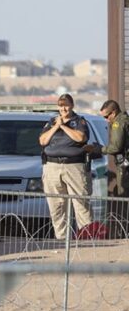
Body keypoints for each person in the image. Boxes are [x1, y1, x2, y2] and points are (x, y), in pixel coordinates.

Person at [39, 93, 93, 239]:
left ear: (72, 105)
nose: (63, 108)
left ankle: (86, 238)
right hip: (52, 166)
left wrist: (63, 126)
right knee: (56, 206)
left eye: (66, 105)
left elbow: (81, 138)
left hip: (73, 166)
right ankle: (62, 239)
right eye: (61, 105)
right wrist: (56, 126)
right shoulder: (51, 122)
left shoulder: (79, 121)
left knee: (81, 204)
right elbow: (43, 141)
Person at [100, 99, 129, 237]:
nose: (106, 120)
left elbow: (116, 147)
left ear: (114, 112)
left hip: (125, 167)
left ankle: (124, 232)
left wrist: (99, 149)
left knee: (123, 198)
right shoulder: (125, 119)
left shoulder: (118, 123)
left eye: (107, 116)